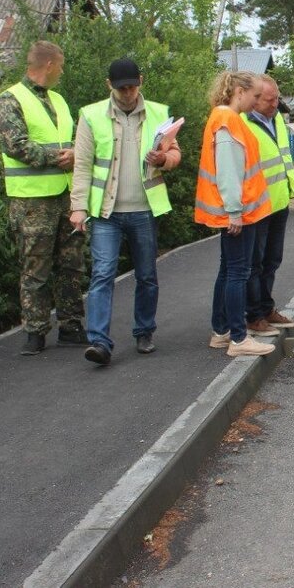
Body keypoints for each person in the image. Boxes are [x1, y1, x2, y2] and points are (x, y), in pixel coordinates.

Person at [69, 58, 182, 365]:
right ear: (110, 86)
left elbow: (175, 153)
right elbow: (82, 165)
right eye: (121, 88)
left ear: (140, 81)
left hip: (144, 209)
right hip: (107, 213)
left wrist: (164, 160)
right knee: (102, 275)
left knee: (147, 275)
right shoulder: (91, 116)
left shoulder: (159, 112)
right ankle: (99, 342)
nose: (128, 93)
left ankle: (144, 331)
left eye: (132, 86)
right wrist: (78, 207)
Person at [0, 40, 87, 356]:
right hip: (32, 202)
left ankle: (72, 326)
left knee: (72, 264)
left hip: (65, 195)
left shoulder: (59, 100)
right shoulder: (9, 100)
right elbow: (15, 145)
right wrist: (54, 157)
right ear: (49, 65)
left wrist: (76, 153)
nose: (61, 71)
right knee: (36, 267)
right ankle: (35, 332)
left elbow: (73, 139)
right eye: (60, 65)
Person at [196, 71, 275, 357]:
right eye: (255, 96)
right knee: (238, 273)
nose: (256, 102)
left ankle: (222, 331)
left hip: (237, 210)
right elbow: (228, 172)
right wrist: (234, 212)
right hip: (240, 212)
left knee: (228, 270)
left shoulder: (224, 118)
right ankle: (239, 339)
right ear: (239, 91)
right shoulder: (228, 121)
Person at [242, 74, 294, 337]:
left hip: (279, 201)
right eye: (269, 99)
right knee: (255, 263)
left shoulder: (276, 119)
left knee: (272, 260)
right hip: (256, 205)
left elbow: (282, 159)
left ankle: (267, 308)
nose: (276, 104)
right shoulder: (242, 122)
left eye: (277, 98)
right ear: (254, 100)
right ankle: (253, 316)